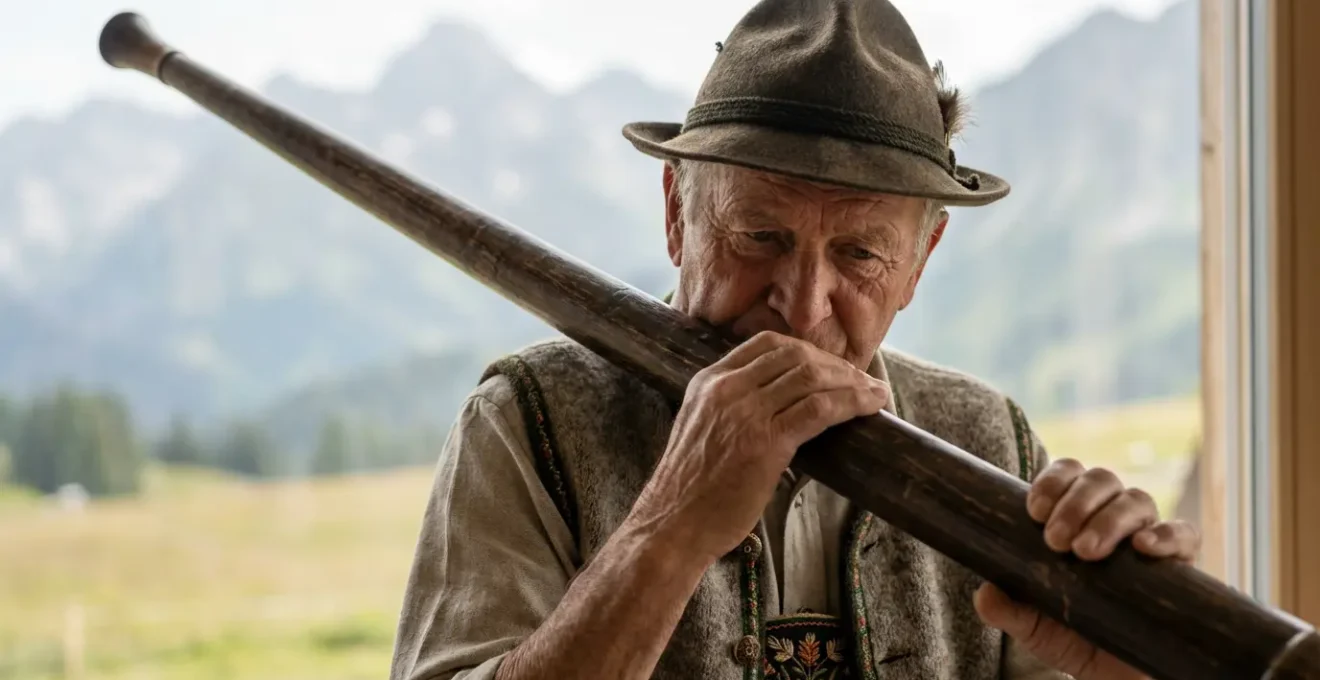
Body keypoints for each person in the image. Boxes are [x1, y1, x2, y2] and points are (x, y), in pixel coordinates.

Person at [388, 0, 1201, 678]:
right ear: (677, 214)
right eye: (759, 236)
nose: (803, 306)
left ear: (920, 264)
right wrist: (668, 530)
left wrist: (1130, 661)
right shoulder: (528, 420)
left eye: (860, 255)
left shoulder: (991, 441)